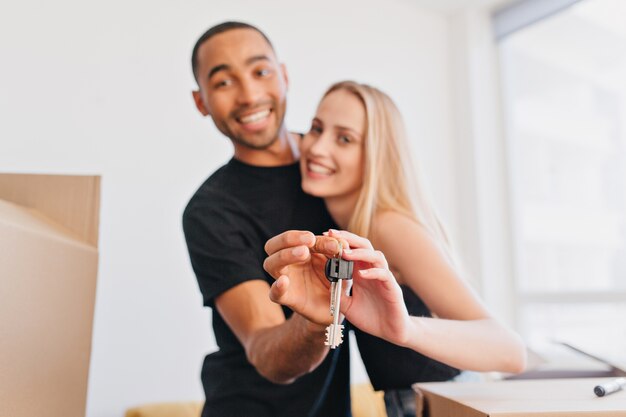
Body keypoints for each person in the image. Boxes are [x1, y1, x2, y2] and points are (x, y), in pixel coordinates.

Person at [263, 81, 527, 417]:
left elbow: (510, 350)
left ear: (376, 154)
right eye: (316, 129)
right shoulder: (348, 224)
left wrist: (404, 327)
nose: (317, 147)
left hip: (443, 403)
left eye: (344, 138)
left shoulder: (388, 226)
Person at [182, 23, 351, 417]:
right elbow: (264, 350)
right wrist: (314, 320)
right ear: (201, 102)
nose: (250, 95)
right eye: (223, 82)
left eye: (261, 72)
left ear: (285, 75)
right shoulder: (210, 211)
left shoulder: (334, 166)